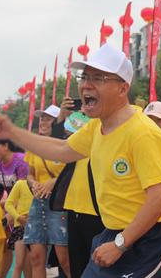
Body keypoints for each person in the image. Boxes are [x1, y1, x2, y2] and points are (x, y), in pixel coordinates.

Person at [0, 44, 161, 278]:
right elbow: (63, 149)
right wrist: (13, 133)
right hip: (112, 233)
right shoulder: (97, 126)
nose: (86, 85)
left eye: (98, 78)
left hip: (146, 241)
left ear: (123, 89)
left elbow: (160, 197)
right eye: (84, 77)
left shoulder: (143, 133)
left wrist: (121, 243)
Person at [53, 97, 103, 278]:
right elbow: (57, 147)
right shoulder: (77, 141)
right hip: (73, 209)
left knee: (99, 267)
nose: (83, 111)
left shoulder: (101, 131)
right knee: (76, 268)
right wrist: (61, 118)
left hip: (97, 212)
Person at [22, 104, 71, 278]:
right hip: (38, 203)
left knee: (64, 259)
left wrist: (53, 182)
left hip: (59, 203)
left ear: (58, 122)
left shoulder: (66, 143)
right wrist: (33, 183)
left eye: (48, 119)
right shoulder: (35, 145)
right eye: (42, 119)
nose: (43, 122)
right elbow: (30, 174)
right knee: (35, 257)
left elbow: (74, 172)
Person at [5, 179, 33, 278]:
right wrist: (18, 217)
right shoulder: (20, 184)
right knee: (19, 262)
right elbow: (8, 204)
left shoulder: (43, 183)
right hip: (20, 226)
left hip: (36, 225)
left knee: (33, 261)